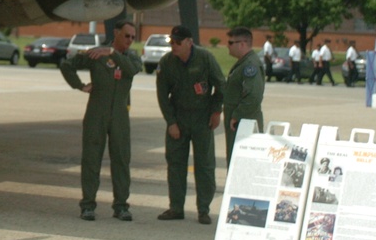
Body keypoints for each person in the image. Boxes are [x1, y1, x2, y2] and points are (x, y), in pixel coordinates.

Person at [59, 20, 142, 221]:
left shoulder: (131, 57)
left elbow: (131, 70)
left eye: (133, 36)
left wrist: (112, 54)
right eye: (127, 35)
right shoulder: (97, 55)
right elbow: (67, 65)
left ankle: (121, 206)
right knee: (91, 159)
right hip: (96, 113)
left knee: (121, 160)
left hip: (120, 116)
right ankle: (87, 205)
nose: (130, 40)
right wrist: (79, 85)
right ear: (116, 33)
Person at [155, 25, 225, 225]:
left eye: (178, 42)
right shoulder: (167, 63)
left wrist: (216, 111)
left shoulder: (205, 58)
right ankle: (176, 208)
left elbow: (221, 85)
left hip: (202, 119)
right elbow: (162, 95)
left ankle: (203, 210)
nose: (174, 46)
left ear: (189, 42)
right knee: (176, 165)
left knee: (204, 166)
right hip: (179, 119)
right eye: (172, 42)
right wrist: (171, 122)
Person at [223, 27, 265, 165]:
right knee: (235, 160)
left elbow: (253, 95)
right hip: (239, 123)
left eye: (230, 43)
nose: (227, 46)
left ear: (242, 44)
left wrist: (237, 115)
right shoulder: (243, 63)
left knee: (242, 163)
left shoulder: (250, 65)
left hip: (244, 123)